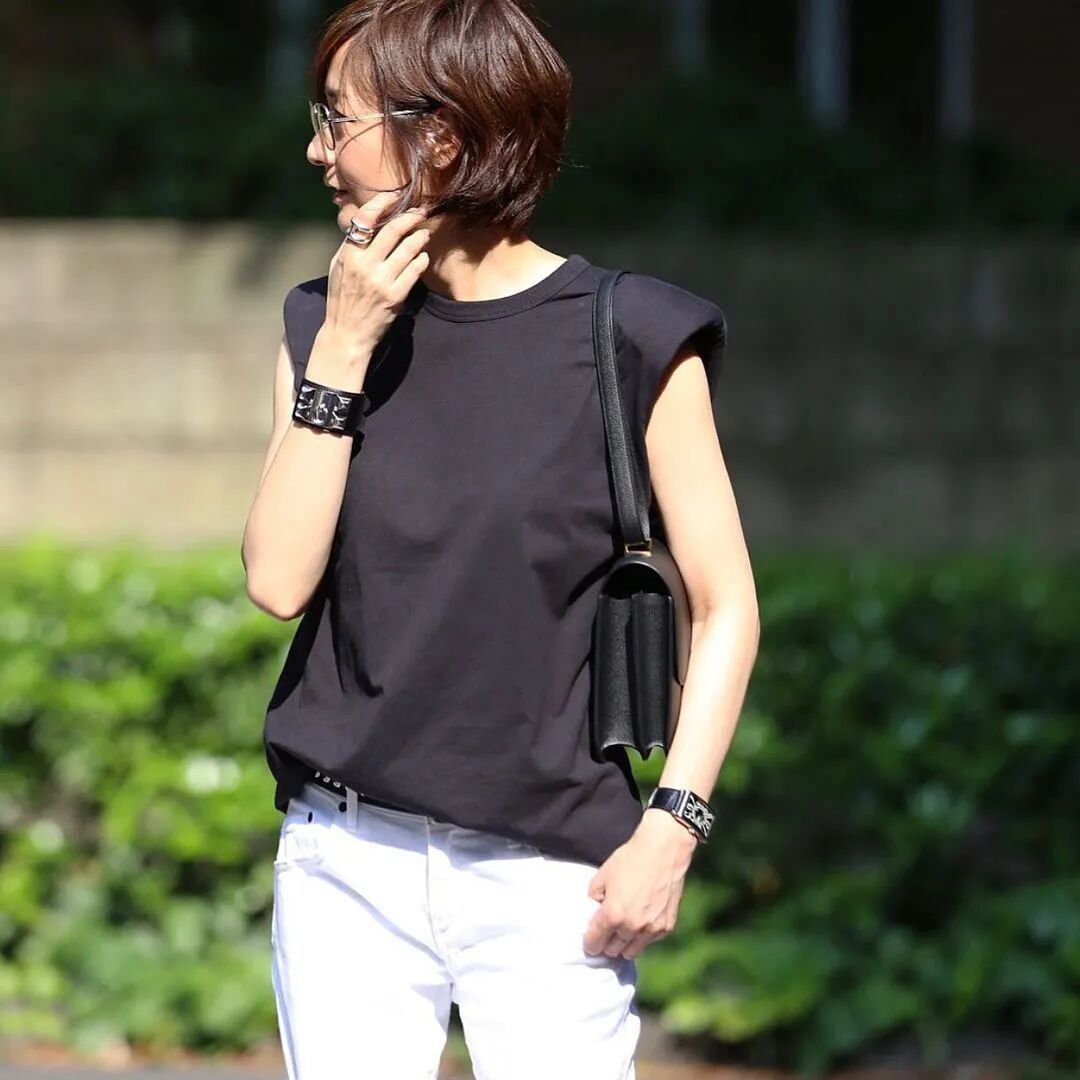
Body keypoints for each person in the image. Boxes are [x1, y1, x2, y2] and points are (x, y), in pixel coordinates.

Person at [240, 1, 760, 1076]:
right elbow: (278, 581)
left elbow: (725, 606)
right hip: (345, 865)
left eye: (338, 118)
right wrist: (343, 349)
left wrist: (673, 827)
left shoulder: (633, 335)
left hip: (552, 881)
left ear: (439, 136)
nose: (318, 151)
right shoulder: (320, 324)